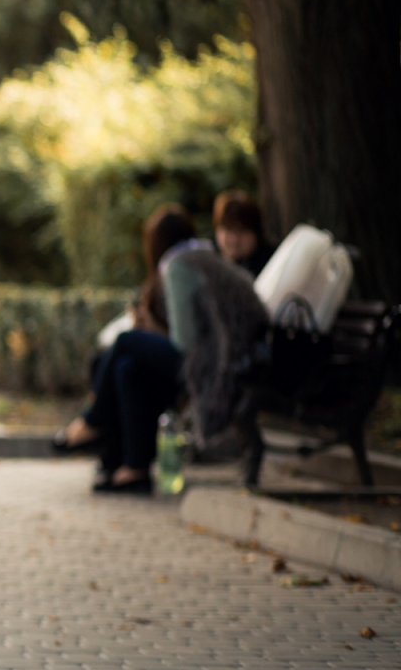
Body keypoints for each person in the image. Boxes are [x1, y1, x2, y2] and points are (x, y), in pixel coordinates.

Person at [56, 205, 195, 493]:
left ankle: (92, 422)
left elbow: (185, 338)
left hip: (189, 367)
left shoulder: (183, 272)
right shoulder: (162, 278)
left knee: (125, 342)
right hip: (166, 366)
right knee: (123, 368)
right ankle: (130, 468)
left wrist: (149, 327)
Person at [213, 190, 275, 277]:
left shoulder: (274, 262)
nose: (234, 239)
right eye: (228, 229)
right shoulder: (211, 262)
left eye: (241, 230)